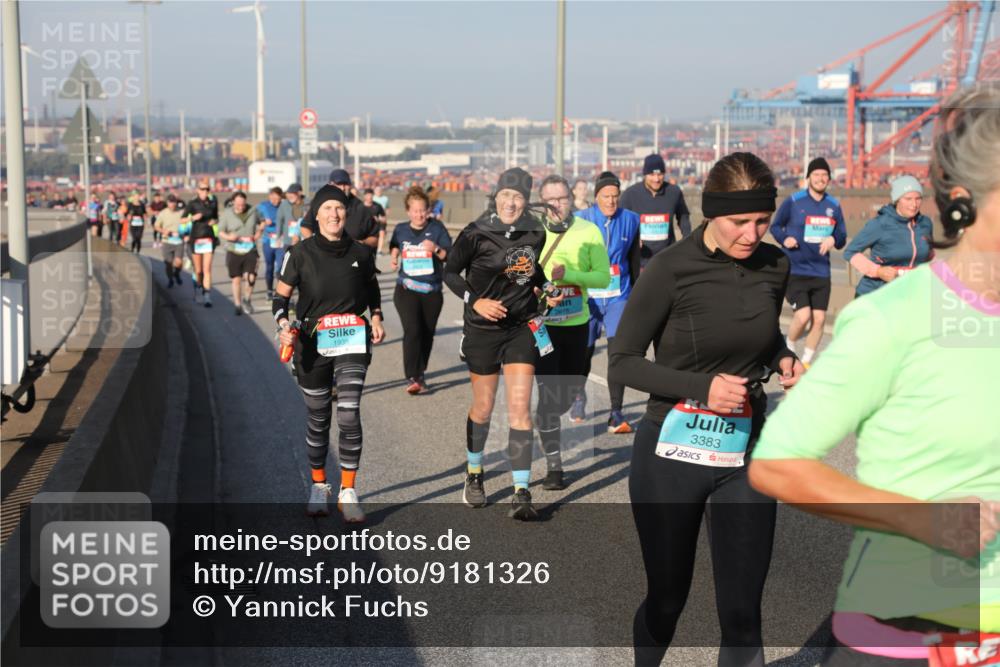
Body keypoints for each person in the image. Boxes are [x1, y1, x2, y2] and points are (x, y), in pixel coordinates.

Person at [749, 85, 999, 666]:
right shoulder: (894, 320)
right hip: (909, 641)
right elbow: (776, 464)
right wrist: (923, 519)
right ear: (962, 202)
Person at [608, 152, 803, 666]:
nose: (751, 233)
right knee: (669, 600)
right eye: (740, 221)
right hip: (671, 456)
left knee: (743, 613)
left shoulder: (774, 265)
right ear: (712, 212)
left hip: (745, 454)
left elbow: (761, 334)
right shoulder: (671, 268)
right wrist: (701, 387)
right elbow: (623, 362)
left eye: (762, 220)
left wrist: (783, 355)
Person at [444, 167, 563, 520]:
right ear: (496, 196)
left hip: (520, 328)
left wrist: (547, 288)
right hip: (482, 328)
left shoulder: (535, 231)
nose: (511, 202)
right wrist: (475, 300)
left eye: (518, 196)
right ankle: (475, 472)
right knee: (483, 407)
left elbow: (530, 268)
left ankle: (521, 490)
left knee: (520, 408)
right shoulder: (475, 232)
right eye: (506, 195)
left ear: (527, 201)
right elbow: (450, 272)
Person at [274, 184, 385, 522]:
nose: (334, 214)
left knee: (349, 413)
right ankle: (319, 485)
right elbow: (280, 298)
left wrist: (377, 316)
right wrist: (282, 324)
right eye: (327, 209)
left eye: (339, 208)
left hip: (352, 339)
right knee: (318, 417)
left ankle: (348, 491)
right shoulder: (299, 253)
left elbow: (372, 288)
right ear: (317, 215)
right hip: (311, 342)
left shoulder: (361, 254)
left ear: (345, 213)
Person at [534, 174, 610, 490]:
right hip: (542, 327)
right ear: (541, 201)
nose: (556, 205)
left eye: (562, 198)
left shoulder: (588, 231)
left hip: (577, 325)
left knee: (567, 393)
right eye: (550, 199)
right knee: (549, 394)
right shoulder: (532, 233)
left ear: (571, 199)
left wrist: (572, 276)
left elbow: (603, 277)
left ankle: (550, 413)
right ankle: (555, 466)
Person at [575, 171, 641, 434]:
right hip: (587, 298)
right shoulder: (580, 220)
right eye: (606, 197)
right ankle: (579, 396)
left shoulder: (631, 220)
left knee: (618, 354)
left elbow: (634, 261)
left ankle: (616, 412)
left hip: (618, 296)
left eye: (615, 196)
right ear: (596, 197)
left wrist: (637, 295)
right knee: (584, 353)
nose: (611, 202)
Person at [769, 157, 847, 367]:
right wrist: (785, 239)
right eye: (817, 175)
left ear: (829, 179)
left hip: (821, 272)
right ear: (808, 178)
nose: (821, 179)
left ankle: (806, 362)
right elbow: (775, 226)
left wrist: (833, 239)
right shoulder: (794, 201)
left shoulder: (834, 205)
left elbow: (841, 234)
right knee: (803, 316)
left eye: (824, 175)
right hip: (796, 269)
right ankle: (791, 345)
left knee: (819, 319)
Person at [389, 185, 452, 394]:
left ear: (429, 210)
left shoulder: (437, 229)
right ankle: (412, 376)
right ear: (408, 211)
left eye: (422, 210)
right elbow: (394, 244)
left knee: (427, 334)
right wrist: (394, 255)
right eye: (415, 211)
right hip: (406, 289)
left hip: (432, 291)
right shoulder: (401, 229)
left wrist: (435, 248)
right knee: (413, 330)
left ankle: (420, 373)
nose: (419, 215)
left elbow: (449, 256)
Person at [844, 174, 934, 298]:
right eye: (908, 199)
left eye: (918, 198)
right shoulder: (880, 224)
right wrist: (878, 271)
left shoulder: (926, 224)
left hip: (909, 294)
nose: (914, 204)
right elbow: (850, 252)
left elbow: (928, 254)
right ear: (897, 200)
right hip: (875, 295)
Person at [620, 154, 692, 268]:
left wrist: (687, 239)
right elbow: (621, 222)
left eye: (660, 174)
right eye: (652, 174)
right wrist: (631, 239)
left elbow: (683, 216)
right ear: (645, 174)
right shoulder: (630, 194)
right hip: (639, 262)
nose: (656, 179)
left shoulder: (674, 192)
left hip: (667, 260)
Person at [300, 170, 379, 249]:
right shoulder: (320, 204)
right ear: (330, 184)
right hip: (324, 256)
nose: (343, 188)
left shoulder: (361, 208)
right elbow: (305, 227)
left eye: (346, 184)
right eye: (339, 184)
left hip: (352, 257)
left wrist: (361, 244)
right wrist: (314, 248)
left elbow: (375, 238)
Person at [218, 191, 263, 316]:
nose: (241, 207)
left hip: (250, 249)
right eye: (238, 204)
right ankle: (237, 304)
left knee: (251, 277)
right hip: (234, 249)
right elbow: (220, 231)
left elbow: (262, 222)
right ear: (233, 202)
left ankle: (247, 299)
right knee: (236, 279)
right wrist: (228, 236)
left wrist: (258, 233)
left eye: (243, 204)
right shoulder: (227, 214)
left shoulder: (253, 211)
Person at [186, 181, 220, 307]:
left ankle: (207, 296)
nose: (205, 191)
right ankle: (198, 287)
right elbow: (182, 219)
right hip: (196, 239)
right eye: (202, 189)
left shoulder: (213, 203)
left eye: (207, 189)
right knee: (198, 270)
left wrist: (214, 221)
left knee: (207, 270)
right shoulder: (192, 204)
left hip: (209, 239)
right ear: (198, 190)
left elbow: (217, 217)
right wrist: (192, 218)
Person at [257, 186, 294, 299]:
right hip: (268, 240)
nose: (274, 201)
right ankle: (269, 290)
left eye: (277, 198)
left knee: (280, 266)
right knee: (269, 266)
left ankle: (280, 291)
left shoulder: (285, 206)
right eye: (272, 198)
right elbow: (255, 215)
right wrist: (262, 220)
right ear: (269, 196)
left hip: (281, 241)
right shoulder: (263, 206)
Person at [153, 194, 189, 288]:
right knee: (168, 264)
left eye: (174, 202)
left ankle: (177, 273)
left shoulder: (181, 212)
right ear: (167, 203)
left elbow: (188, 224)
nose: (172, 204)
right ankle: (170, 279)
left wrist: (186, 234)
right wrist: (163, 231)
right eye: (170, 202)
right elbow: (156, 226)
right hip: (167, 241)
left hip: (178, 241)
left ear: (176, 203)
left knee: (178, 262)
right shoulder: (163, 213)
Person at [363, 188, 389, 255]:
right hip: (366, 227)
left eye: (371, 195)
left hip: (377, 226)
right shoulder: (361, 206)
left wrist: (378, 218)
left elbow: (383, 217)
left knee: (382, 232)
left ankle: (379, 251)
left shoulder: (377, 206)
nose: (370, 197)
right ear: (364, 196)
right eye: (368, 195)